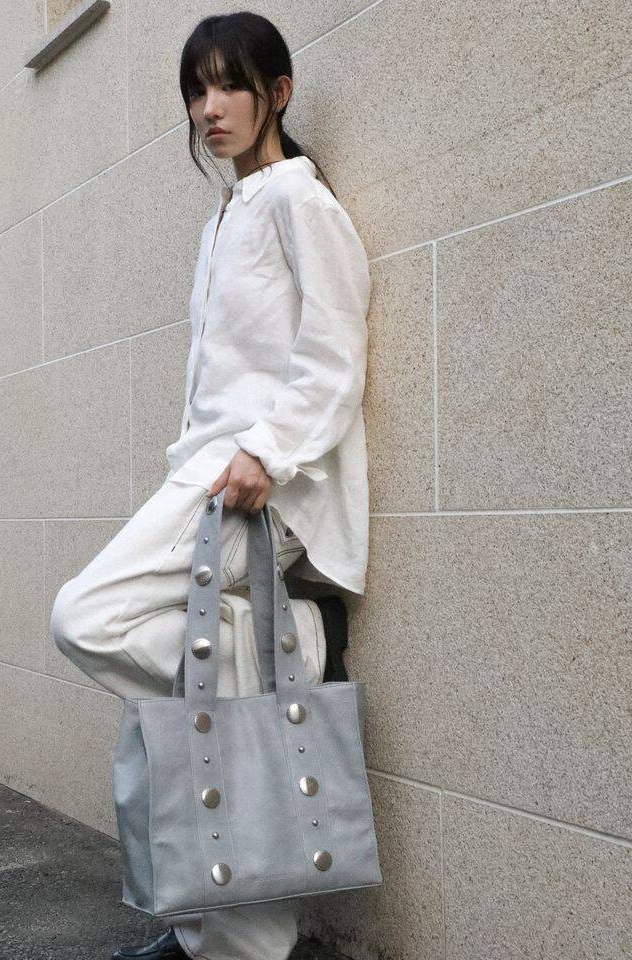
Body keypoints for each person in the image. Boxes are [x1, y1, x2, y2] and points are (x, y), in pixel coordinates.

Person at [49, 10, 371, 960]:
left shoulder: (299, 201)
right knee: (214, 691)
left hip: (254, 481)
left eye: (231, 84)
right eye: (197, 90)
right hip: (205, 470)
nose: (209, 107)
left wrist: (269, 451)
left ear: (279, 93)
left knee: (84, 617)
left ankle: (304, 631)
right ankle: (220, 941)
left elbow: (335, 350)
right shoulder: (225, 216)